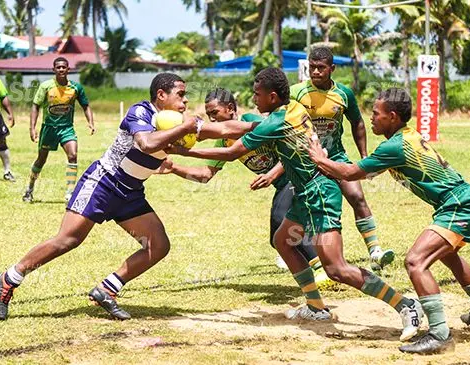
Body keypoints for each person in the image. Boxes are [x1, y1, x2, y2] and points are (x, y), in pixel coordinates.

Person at [169, 68, 423, 337]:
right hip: (305, 192)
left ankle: (405, 305)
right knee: (282, 241)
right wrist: (196, 128)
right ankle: (315, 306)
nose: (254, 100)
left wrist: (184, 149)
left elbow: (232, 152)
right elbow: (233, 127)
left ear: (273, 96)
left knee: (336, 268)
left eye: (257, 94)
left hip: (320, 192)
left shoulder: (276, 122)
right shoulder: (291, 109)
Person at [0, 73, 255, 321]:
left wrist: (263, 124)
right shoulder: (140, 112)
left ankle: (107, 289)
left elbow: (224, 130)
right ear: (161, 95)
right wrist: (186, 127)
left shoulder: (182, 123)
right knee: (68, 240)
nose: (186, 100)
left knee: (158, 245)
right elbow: (148, 144)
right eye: (181, 94)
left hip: (130, 192)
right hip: (103, 183)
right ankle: (10, 277)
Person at [307, 87, 470, 355]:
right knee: (448, 255)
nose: (371, 118)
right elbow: (365, 171)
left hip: (460, 205)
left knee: (415, 261)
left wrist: (318, 158)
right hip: (462, 200)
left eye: (376, 113)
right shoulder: (404, 136)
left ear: (393, 116)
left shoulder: (395, 145)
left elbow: (350, 173)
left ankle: (440, 334)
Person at [158, 87, 330, 284]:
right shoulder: (224, 141)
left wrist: (271, 174)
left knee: (279, 218)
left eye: (215, 113)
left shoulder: (252, 122)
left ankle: (321, 269)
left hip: (296, 176)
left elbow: (291, 144)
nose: (212, 120)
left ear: (230, 108)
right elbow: (205, 175)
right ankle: (316, 273)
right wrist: (174, 168)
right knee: (278, 236)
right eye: (209, 116)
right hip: (284, 184)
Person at [291, 46, 394, 271]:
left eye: (321, 68)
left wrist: (364, 156)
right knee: (305, 206)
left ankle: (375, 251)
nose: (315, 72)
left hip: (336, 155)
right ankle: (296, 250)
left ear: (332, 69)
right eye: (312, 67)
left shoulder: (344, 94)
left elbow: (357, 122)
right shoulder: (296, 92)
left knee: (357, 197)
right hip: (307, 158)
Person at [22, 57, 95, 203]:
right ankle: (29, 190)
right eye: (58, 67)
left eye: (64, 67)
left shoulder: (76, 88)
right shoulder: (46, 86)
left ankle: (69, 193)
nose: (61, 69)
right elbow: (35, 106)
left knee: (73, 155)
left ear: (68, 69)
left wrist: (91, 122)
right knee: (41, 160)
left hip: (66, 129)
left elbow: (85, 105)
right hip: (48, 129)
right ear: (53, 69)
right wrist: (32, 128)